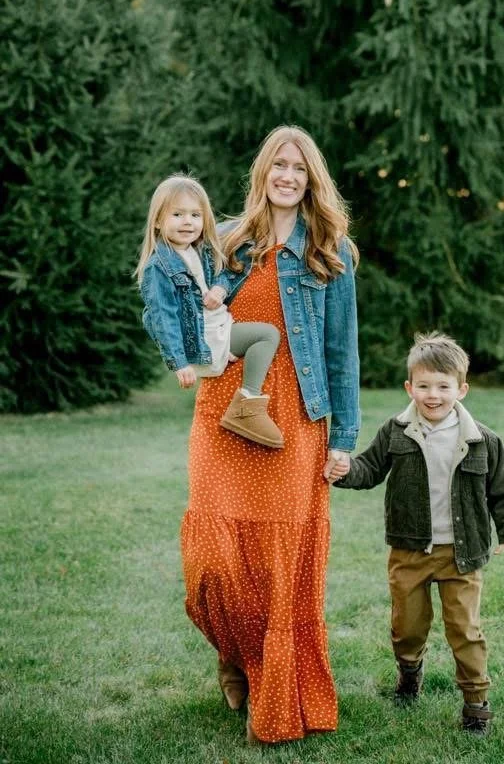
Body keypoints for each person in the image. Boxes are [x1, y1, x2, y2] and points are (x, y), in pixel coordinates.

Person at [179, 126, 359, 744]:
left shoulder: (330, 253)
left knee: (279, 561)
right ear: (262, 173)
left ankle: (263, 672)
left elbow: (341, 352)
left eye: (299, 168)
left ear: (312, 181)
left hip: (292, 423)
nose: (288, 175)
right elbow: (187, 317)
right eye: (278, 165)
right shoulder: (226, 242)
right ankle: (234, 650)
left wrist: (344, 436)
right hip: (221, 414)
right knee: (213, 556)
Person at [333, 331, 504, 736]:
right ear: (409, 387)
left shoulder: (483, 440)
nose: (433, 395)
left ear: (461, 389)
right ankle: (409, 673)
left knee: (465, 629)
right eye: (424, 386)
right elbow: (369, 470)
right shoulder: (396, 431)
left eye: (443, 387)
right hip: (409, 550)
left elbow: (502, 493)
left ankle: (476, 702)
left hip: (461, 555)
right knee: (407, 626)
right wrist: (343, 471)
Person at [136, 174, 284, 448]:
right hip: (204, 339)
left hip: (219, 329)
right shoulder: (159, 267)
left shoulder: (200, 251)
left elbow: (227, 273)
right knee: (266, 335)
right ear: (157, 220)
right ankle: (247, 406)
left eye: (195, 214)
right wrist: (179, 362)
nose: (188, 222)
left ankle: (238, 388)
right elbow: (162, 318)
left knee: (265, 335)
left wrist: (220, 289)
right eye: (177, 214)